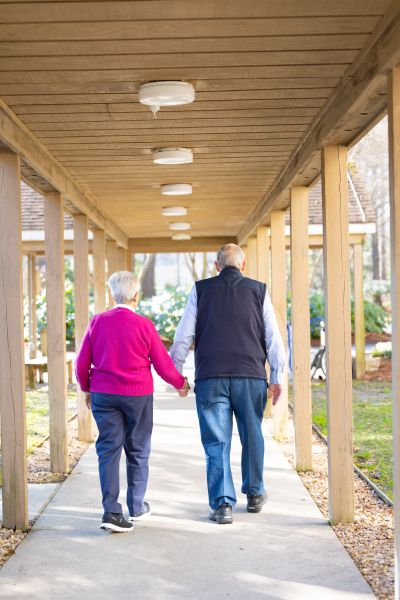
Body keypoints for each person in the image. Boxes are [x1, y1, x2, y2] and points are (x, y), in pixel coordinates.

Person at [170, 244, 285, 524]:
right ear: (243, 266)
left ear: (216, 265)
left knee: (216, 441)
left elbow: (183, 336)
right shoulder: (259, 291)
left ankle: (222, 505)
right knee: (252, 434)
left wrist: (176, 373)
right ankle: (255, 494)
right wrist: (277, 377)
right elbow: (273, 338)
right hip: (251, 377)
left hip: (211, 377)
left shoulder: (201, 290)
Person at [75, 271, 190, 533]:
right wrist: (181, 383)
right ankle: (136, 506)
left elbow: (81, 363)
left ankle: (111, 511)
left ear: (112, 294)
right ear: (137, 295)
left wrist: (87, 389)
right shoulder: (144, 325)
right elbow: (162, 365)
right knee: (138, 447)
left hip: (104, 394)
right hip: (137, 395)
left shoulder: (97, 322)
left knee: (109, 450)